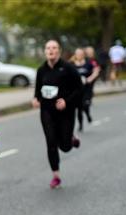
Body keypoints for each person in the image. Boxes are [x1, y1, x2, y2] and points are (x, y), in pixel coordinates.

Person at [32, 40, 83, 189]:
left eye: (54, 48)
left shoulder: (68, 68)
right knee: (51, 142)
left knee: (65, 147)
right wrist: (36, 99)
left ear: (59, 51)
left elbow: (79, 89)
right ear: (45, 51)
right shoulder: (41, 70)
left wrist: (67, 101)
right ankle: (56, 175)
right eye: (48, 48)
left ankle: (71, 139)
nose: (51, 50)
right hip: (47, 111)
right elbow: (38, 90)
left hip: (65, 112)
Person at [70, 48, 100, 131]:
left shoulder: (89, 62)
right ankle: (80, 125)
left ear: (83, 54)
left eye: (80, 54)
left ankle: (88, 115)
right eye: (77, 54)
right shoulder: (71, 64)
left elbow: (96, 70)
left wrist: (90, 78)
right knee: (79, 108)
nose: (79, 55)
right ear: (75, 55)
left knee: (85, 105)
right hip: (76, 89)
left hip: (87, 89)